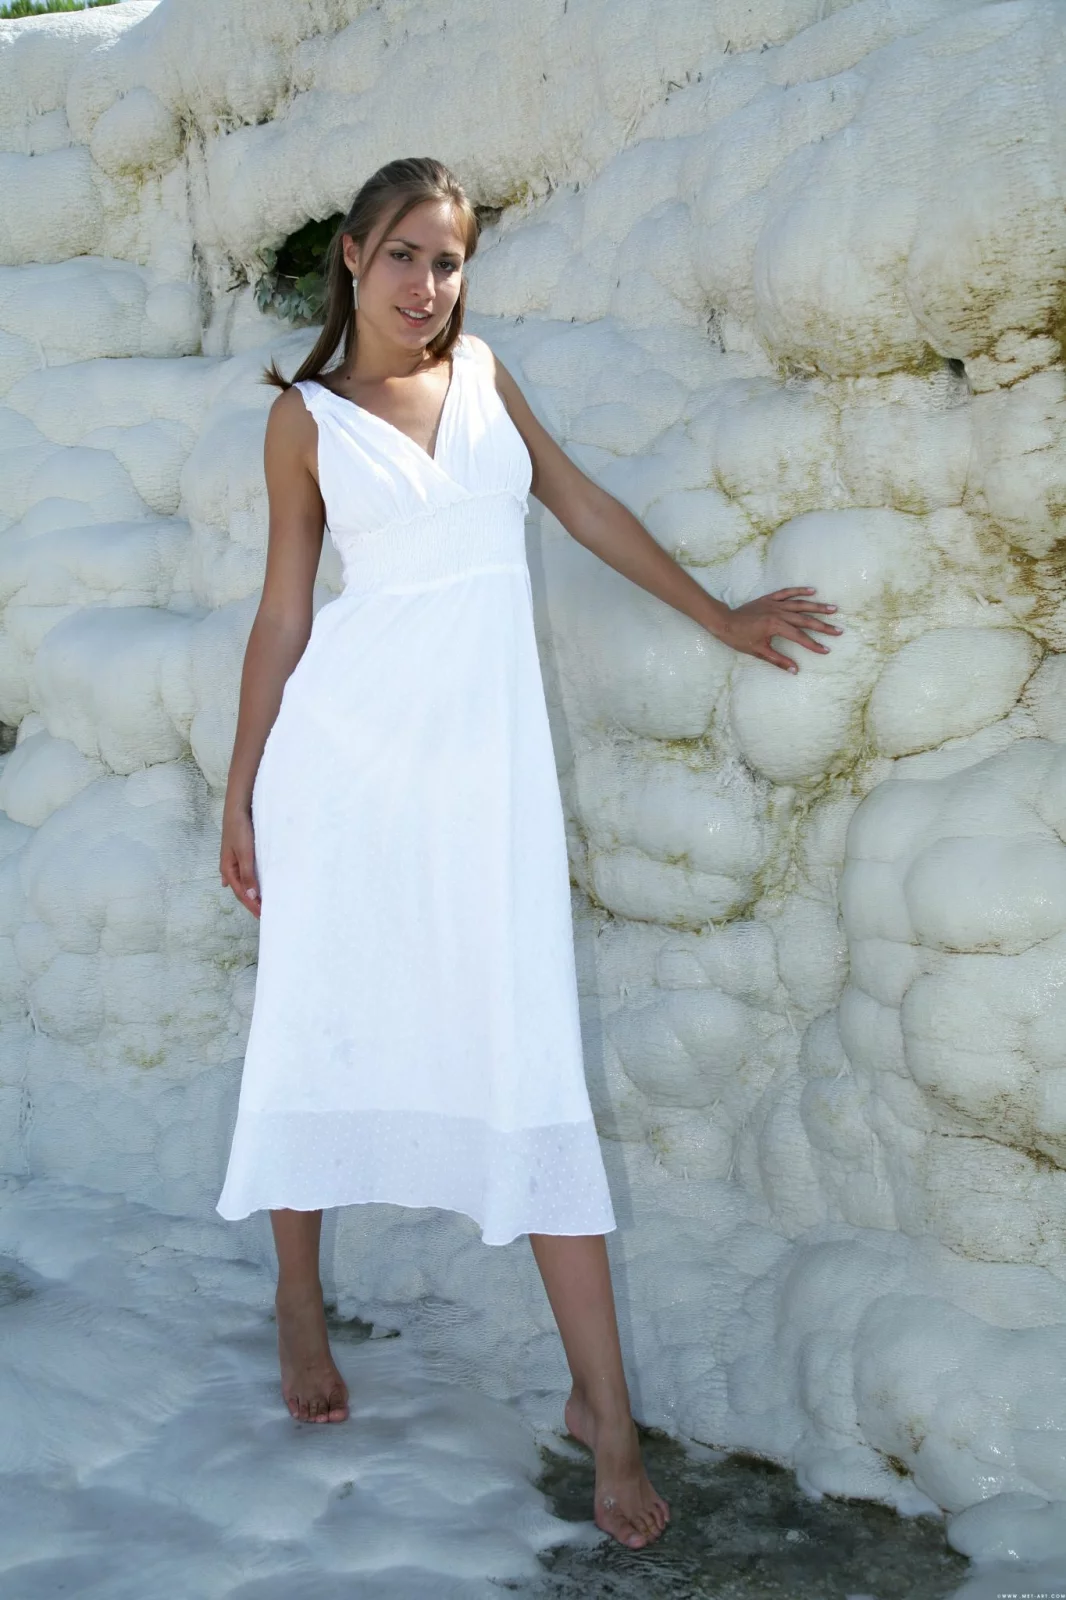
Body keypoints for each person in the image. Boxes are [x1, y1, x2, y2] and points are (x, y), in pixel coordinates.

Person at [216, 156, 840, 1552]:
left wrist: (718, 615)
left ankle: (603, 1413)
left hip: (482, 797)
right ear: (352, 256)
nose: (428, 285)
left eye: (449, 260)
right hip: (345, 776)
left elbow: (583, 505)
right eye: (405, 255)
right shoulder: (305, 421)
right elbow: (282, 615)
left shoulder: (486, 377)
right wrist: (242, 792)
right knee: (318, 1024)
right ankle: (299, 1301)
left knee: (530, 1054)